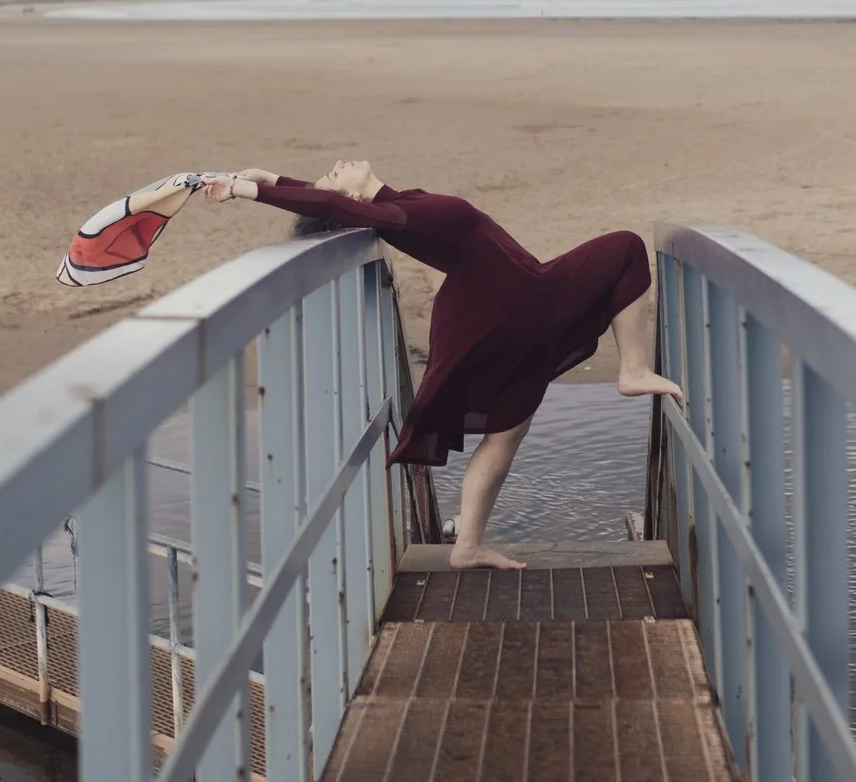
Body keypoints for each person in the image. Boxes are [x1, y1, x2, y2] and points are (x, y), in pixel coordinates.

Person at [205, 161, 681, 570]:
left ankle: (468, 546)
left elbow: (328, 199)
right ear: (352, 195)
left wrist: (272, 176)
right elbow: (330, 206)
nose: (337, 162)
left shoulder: (399, 200)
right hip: (513, 300)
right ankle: (632, 369)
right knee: (625, 247)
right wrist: (249, 191)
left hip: (503, 305)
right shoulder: (394, 214)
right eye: (333, 173)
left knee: (507, 433)